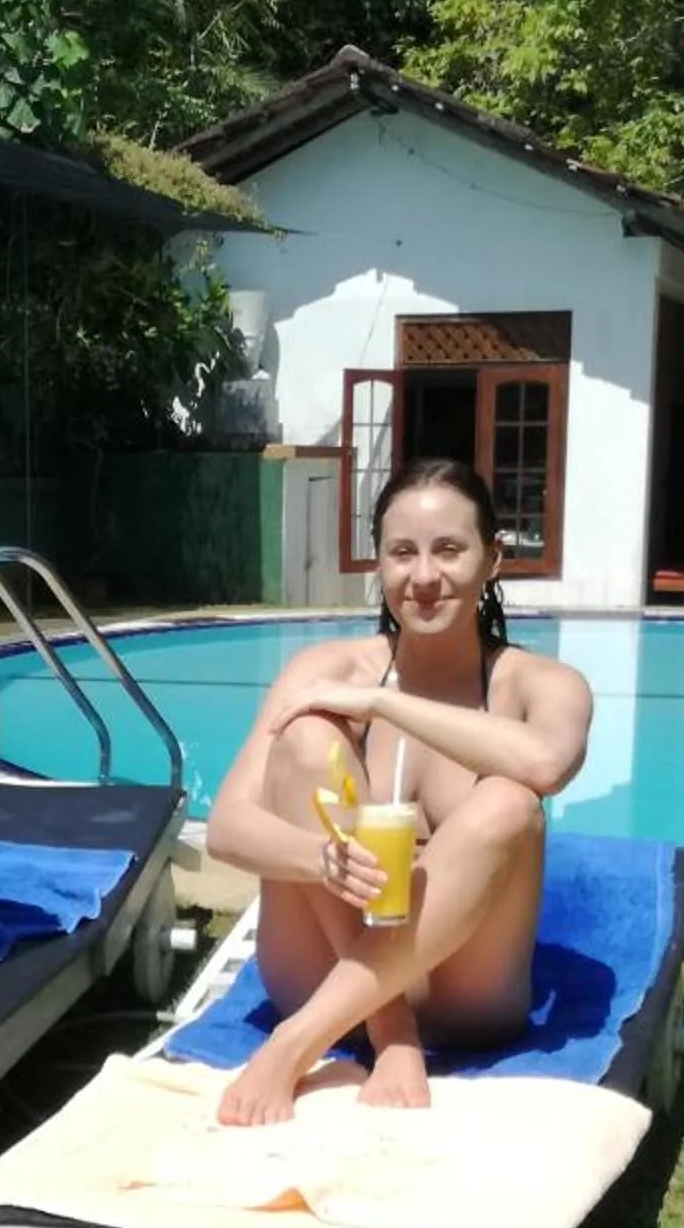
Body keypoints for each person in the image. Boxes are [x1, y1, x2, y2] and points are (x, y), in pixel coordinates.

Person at [201, 457, 592, 1126]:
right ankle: (390, 1032)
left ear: (493, 559)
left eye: (450, 550)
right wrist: (319, 859)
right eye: (402, 553)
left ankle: (294, 1047)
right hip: (319, 972)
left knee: (509, 801)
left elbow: (548, 764)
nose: (425, 578)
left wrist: (384, 705)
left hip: (464, 991)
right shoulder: (325, 670)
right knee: (305, 742)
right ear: (378, 566)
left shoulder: (539, 684)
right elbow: (227, 828)